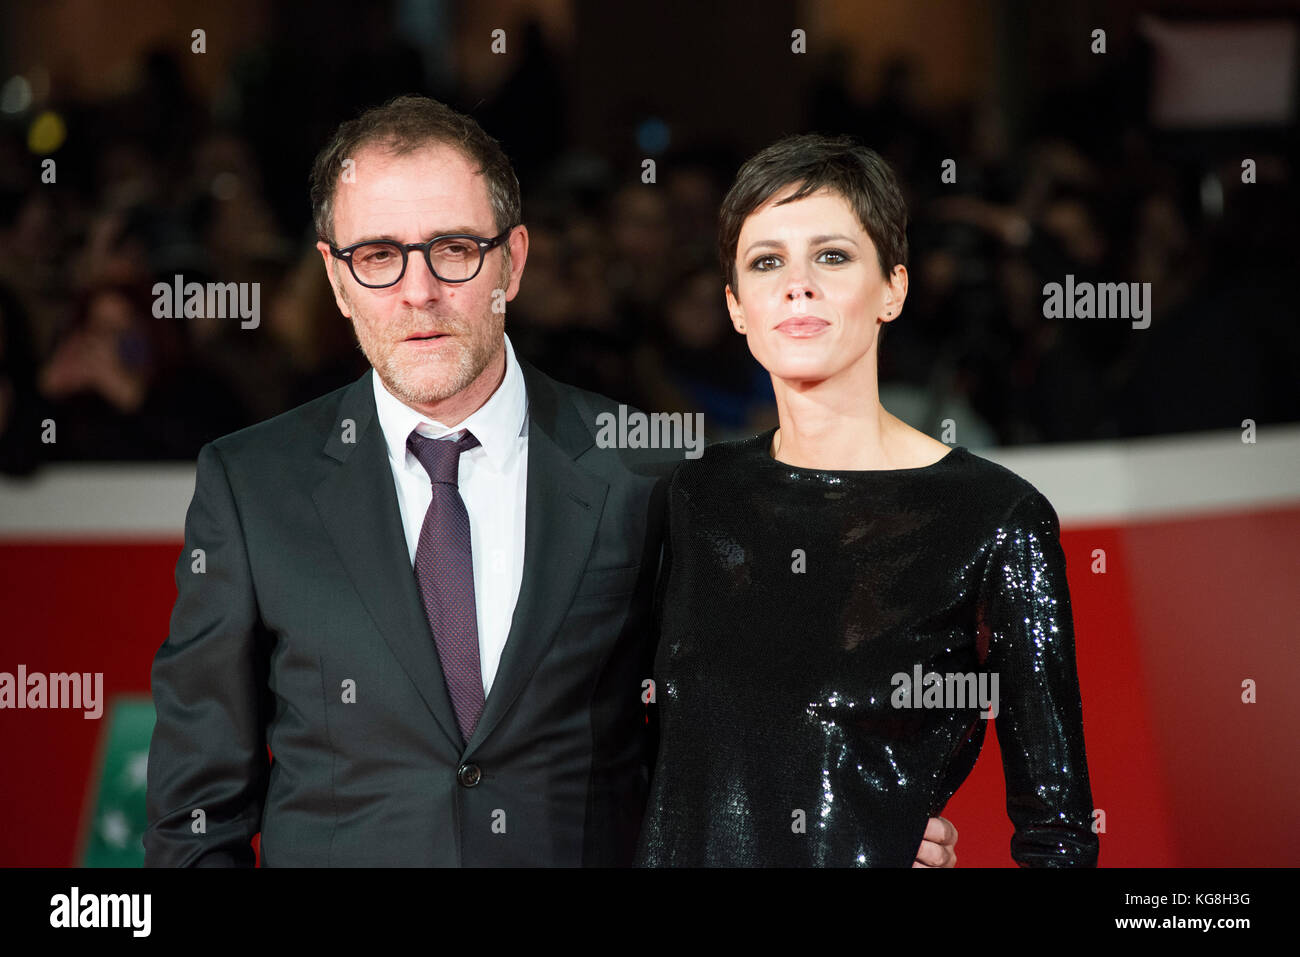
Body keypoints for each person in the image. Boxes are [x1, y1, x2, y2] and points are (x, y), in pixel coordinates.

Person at [143, 97, 959, 866]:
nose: (419, 290)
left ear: (515, 261)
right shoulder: (252, 487)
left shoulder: (642, 469)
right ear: (335, 279)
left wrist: (849, 813)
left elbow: (729, 726)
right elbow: (196, 816)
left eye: (455, 249)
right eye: (379, 257)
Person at [636, 134, 1099, 867]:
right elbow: (651, 759)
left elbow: (1059, 834)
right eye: (766, 262)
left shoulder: (994, 519)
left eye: (832, 255)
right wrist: (854, 826)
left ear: (894, 288)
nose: (798, 284)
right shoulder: (695, 494)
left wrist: (859, 837)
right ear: (735, 306)